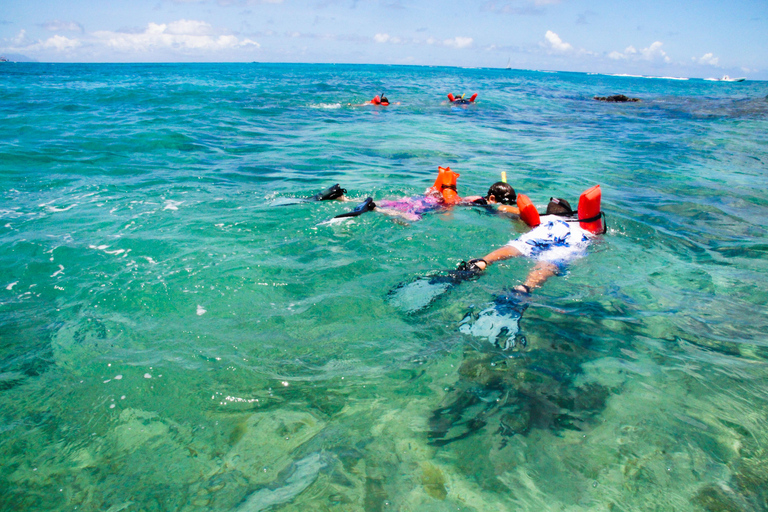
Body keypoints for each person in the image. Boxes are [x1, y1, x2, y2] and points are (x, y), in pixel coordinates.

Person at [460, 197, 594, 294]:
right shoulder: (583, 227)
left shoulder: (541, 219)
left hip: (544, 229)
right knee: (551, 260)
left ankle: (482, 262)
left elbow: (506, 213)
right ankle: (525, 288)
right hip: (574, 238)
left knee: (520, 246)